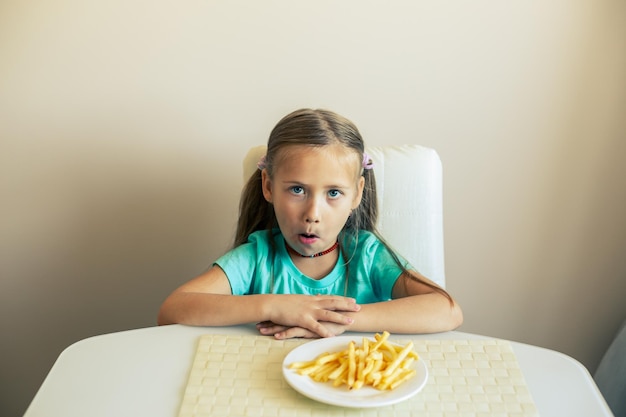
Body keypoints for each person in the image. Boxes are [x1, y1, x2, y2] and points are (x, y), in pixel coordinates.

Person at [158, 108, 463, 339]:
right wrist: (274, 306)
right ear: (268, 186)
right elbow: (172, 310)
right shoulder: (256, 257)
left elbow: (447, 310)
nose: (313, 213)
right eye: (297, 190)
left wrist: (332, 319)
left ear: (357, 193)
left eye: (333, 193)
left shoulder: (368, 255)